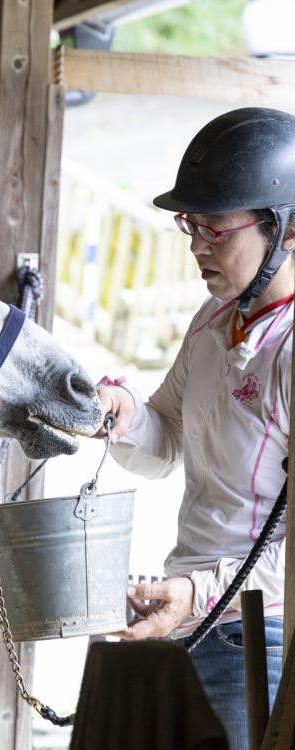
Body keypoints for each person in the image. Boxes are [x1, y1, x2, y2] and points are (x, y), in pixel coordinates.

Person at [95, 106, 295, 750]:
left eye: (215, 228)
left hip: (262, 637)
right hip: (195, 618)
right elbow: (167, 442)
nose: (196, 246)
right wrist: (124, 418)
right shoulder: (213, 320)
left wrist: (196, 591)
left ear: (287, 230)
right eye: (190, 225)